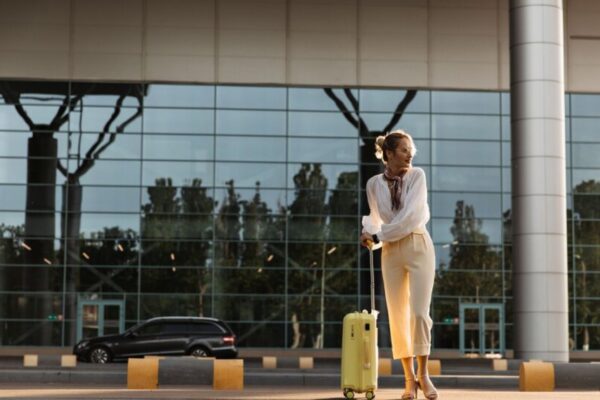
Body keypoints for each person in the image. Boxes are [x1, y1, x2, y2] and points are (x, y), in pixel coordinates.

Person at [360, 130, 438, 400]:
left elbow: (410, 217)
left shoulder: (417, 176)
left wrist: (379, 235)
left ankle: (424, 374)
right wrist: (368, 233)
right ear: (389, 154)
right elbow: (374, 218)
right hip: (391, 252)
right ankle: (408, 381)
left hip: (417, 245)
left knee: (419, 313)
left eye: (411, 149)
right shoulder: (373, 184)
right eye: (404, 149)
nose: (410, 154)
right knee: (397, 316)